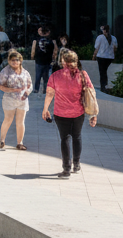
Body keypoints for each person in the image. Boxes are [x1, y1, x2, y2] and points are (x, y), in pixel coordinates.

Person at [42, 50, 97, 178]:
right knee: (77, 136)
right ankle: (76, 164)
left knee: (64, 139)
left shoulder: (55, 75)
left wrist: (45, 109)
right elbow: (91, 93)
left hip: (60, 113)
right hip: (78, 112)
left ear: (63, 61)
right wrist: (94, 113)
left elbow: (50, 93)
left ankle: (66, 169)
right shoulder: (83, 75)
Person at [0, 51, 32, 150]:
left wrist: (27, 92)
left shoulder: (25, 72)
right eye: (12, 60)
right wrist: (12, 90)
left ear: (20, 61)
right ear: (9, 61)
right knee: (8, 119)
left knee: (20, 122)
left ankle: (20, 143)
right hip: (9, 99)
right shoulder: (5, 71)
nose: (15, 62)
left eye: (17, 60)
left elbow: (30, 85)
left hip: (22, 100)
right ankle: (2, 140)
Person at [30, 27, 57, 94]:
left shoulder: (36, 40)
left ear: (41, 32)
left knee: (38, 76)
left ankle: (36, 89)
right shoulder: (52, 41)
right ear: (48, 32)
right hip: (47, 61)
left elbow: (33, 50)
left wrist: (32, 57)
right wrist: (54, 58)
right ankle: (45, 89)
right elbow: (55, 51)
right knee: (46, 77)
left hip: (39, 61)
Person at [94, 25, 118, 92]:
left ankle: (103, 86)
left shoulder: (100, 37)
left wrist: (94, 55)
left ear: (103, 30)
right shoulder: (113, 38)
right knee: (105, 71)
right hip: (110, 57)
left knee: (102, 72)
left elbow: (97, 48)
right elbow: (115, 48)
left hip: (101, 56)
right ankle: (105, 85)